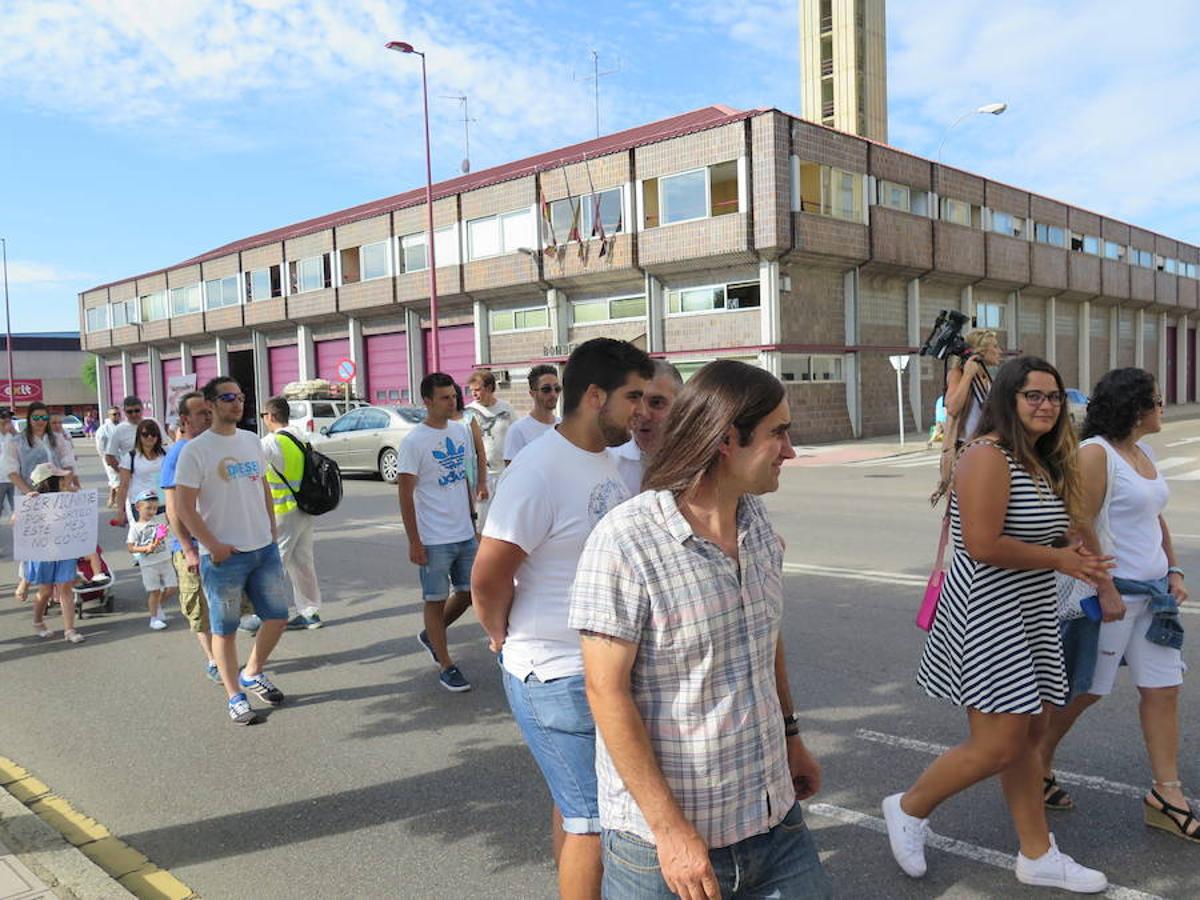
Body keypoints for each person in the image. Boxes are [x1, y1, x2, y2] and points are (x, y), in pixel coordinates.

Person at [569, 359, 831, 898]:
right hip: (667, 848)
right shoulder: (626, 541)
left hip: (773, 820)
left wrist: (791, 737)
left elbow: (765, 634)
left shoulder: (755, 521)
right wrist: (670, 832)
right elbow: (605, 691)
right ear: (725, 439)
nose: (790, 451)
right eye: (778, 433)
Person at [885, 356, 1113, 892]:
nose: (1046, 405)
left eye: (1054, 397)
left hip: (1028, 609)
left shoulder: (1039, 458)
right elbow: (983, 545)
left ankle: (1037, 853)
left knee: (1029, 734)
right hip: (988, 612)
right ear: (1008, 400)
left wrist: (1076, 554)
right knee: (1000, 743)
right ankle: (909, 807)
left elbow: (1049, 531)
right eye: (1033, 395)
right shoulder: (986, 456)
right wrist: (1060, 560)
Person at [472, 338, 653, 900]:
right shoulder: (537, 471)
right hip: (555, 674)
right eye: (633, 398)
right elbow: (488, 576)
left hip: (601, 667)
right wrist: (501, 635)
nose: (642, 412)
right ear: (595, 395)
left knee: (578, 805)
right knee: (593, 820)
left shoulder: (608, 459)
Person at [1036, 368, 1196, 841]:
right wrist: (1104, 588)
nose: (1163, 407)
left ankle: (1167, 794)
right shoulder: (1096, 454)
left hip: (1154, 597)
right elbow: (1076, 521)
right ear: (1134, 407)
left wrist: (1174, 567)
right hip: (1113, 596)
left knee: (1164, 689)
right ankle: (1034, 762)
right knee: (1085, 690)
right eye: (1156, 400)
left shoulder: (1141, 451)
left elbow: (1154, 515)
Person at [174, 377, 288, 725]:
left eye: (240, 397)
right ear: (209, 404)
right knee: (224, 630)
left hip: (262, 547)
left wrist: (270, 528)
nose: (237, 403)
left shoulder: (252, 440)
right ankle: (234, 696)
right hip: (224, 556)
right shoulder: (196, 450)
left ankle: (252, 672)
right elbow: (183, 507)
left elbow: (264, 488)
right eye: (228, 397)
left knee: (278, 616)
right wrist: (211, 546)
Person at [398, 373, 478, 693]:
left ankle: (432, 634)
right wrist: (414, 541)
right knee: (435, 598)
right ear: (427, 402)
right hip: (433, 537)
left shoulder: (460, 432)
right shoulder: (414, 441)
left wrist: (473, 523)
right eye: (444, 397)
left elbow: (464, 479)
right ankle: (446, 663)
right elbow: (405, 493)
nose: (452, 401)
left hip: (463, 531)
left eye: (453, 396)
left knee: (470, 593)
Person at [161, 391, 221, 683]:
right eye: (201, 413)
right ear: (184, 420)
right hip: (192, 547)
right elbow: (173, 508)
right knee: (199, 609)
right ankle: (214, 660)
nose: (208, 418)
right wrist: (188, 548)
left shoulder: (209, 448)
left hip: (216, 542)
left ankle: (224, 656)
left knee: (222, 603)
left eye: (209, 412)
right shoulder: (178, 453)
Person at [261, 395, 324, 630]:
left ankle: (268, 613)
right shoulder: (301, 436)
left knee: (274, 564)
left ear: (271, 416)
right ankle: (310, 612)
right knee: (303, 562)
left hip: (282, 511)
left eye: (263, 415)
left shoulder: (269, 443)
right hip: (305, 507)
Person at [933, 330, 1004, 502]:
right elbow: (952, 408)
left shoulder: (986, 378)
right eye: (995, 347)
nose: (999, 351)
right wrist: (967, 375)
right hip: (965, 450)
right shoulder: (958, 374)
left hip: (987, 448)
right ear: (980, 352)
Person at [24, 463, 86, 644]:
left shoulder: (68, 497)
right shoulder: (33, 501)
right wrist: (28, 503)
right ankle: (38, 621)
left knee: (65, 589)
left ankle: (69, 629)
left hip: (65, 550)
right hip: (43, 552)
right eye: (61, 478)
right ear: (50, 482)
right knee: (45, 591)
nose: (66, 480)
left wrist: (76, 497)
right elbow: (16, 522)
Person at [609, 359, 683, 496]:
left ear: (681, 406)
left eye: (656, 403)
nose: (643, 414)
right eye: (635, 401)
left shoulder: (700, 463)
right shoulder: (607, 462)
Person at [465, 370, 514, 521]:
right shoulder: (468, 412)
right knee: (482, 522)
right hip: (482, 475)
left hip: (505, 473)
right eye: (471, 390)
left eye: (477, 389)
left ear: (490, 387)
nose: (474, 394)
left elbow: (516, 436)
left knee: (506, 520)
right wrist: (479, 482)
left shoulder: (506, 408)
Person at [126, 488, 177, 630]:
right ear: (138, 507)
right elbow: (131, 547)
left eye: (155, 508)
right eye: (148, 508)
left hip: (165, 560)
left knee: (172, 588)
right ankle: (154, 618)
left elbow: (172, 511)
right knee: (154, 591)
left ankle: (157, 605)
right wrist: (145, 548)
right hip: (148, 564)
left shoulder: (159, 520)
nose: (152, 511)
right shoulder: (136, 528)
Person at [2, 401, 73, 494]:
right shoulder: (16, 442)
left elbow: (68, 462)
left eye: (44, 418)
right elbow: (11, 471)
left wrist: (67, 484)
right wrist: (28, 492)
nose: (40, 421)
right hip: (29, 495)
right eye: (36, 417)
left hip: (57, 494)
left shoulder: (58, 439)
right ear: (29, 419)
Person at [503, 364, 561, 464]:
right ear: (532, 393)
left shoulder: (565, 426)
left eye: (557, 389)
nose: (553, 394)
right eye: (546, 389)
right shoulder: (518, 430)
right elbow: (511, 474)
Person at [114, 419, 168, 526]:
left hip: (163, 504)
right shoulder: (130, 457)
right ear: (139, 436)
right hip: (142, 506)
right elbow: (123, 485)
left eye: (153, 434)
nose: (150, 437)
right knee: (145, 540)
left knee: (164, 540)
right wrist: (120, 511)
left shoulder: (167, 453)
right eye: (145, 434)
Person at [453, 383, 489, 515]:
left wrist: (482, 482)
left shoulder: (468, 418)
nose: (450, 401)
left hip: (468, 479)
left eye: (453, 396)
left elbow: (480, 451)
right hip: (446, 481)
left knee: (470, 517)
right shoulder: (438, 422)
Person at [103, 395, 148, 473]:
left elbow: (166, 446)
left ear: (142, 409)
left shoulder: (153, 423)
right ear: (124, 412)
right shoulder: (119, 430)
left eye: (137, 410)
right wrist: (123, 473)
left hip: (154, 474)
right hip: (133, 477)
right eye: (129, 412)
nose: (134, 414)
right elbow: (109, 457)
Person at [96, 407, 121, 508]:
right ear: (109, 415)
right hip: (110, 458)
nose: (117, 416)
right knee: (117, 481)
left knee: (115, 480)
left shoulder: (122, 427)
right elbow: (100, 446)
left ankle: (111, 499)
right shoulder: (103, 429)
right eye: (114, 414)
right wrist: (105, 458)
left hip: (122, 458)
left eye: (118, 414)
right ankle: (122, 505)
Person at [0, 408, 16, 518]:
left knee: (18, 508)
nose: (7, 420)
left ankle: (20, 533)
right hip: (0, 479)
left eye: (9, 418)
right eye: (3, 418)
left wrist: (15, 433)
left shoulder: (14, 435)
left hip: (14, 478)